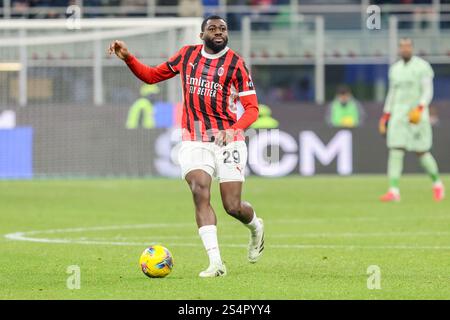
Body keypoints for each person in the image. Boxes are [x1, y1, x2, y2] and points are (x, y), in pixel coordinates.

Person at [109, 15, 264, 277]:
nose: (218, 32)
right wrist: (128, 58)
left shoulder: (236, 64)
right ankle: (216, 263)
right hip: (194, 138)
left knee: (232, 206)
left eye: (223, 29)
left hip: (229, 140)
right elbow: (151, 76)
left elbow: (252, 109)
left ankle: (256, 227)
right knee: (199, 189)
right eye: (212, 28)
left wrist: (234, 129)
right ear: (201, 34)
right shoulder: (187, 55)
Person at [379, 38, 445, 202]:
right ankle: (394, 190)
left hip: (416, 114)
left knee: (421, 151)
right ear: (399, 49)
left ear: (412, 48)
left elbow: (427, 90)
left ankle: (437, 184)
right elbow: (392, 93)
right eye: (402, 46)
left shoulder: (422, 67)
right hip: (398, 114)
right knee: (395, 150)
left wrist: (421, 107)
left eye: (408, 46)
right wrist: (386, 114)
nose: (405, 49)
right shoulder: (395, 69)